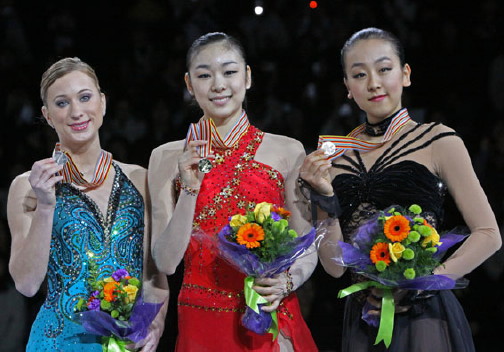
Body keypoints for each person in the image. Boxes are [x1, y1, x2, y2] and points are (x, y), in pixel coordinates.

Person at [299, 27, 502, 352]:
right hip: (364, 318)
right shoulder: (334, 157)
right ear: (348, 88)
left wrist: (423, 283)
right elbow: (335, 267)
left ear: (405, 74)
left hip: (424, 314)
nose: (374, 83)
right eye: (359, 74)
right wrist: (323, 193)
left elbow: (489, 235)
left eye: (384, 69)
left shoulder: (438, 140)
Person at [148, 32, 318, 351]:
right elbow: (166, 262)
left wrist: (288, 281)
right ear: (188, 84)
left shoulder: (287, 150)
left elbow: (305, 244)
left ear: (248, 76)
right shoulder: (166, 157)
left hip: (269, 311)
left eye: (229, 71)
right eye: (204, 75)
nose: (218, 84)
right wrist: (189, 189)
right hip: (200, 320)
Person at [7, 57, 169, 351]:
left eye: (85, 97)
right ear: (47, 114)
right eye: (61, 103)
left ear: (103, 102)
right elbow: (27, 284)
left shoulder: (141, 179)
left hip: (125, 343)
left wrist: (154, 328)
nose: (77, 112)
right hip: (58, 342)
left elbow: (153, 276)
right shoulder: (27, 186)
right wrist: (45, 206)